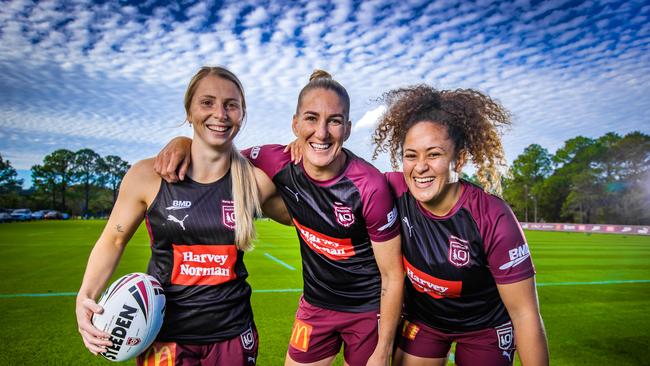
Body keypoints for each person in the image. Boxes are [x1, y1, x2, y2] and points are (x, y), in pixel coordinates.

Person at [155, 70, 404, 366]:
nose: (322, 133)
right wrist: (183, 142)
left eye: (334, 121)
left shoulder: (369, 186)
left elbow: (392, 275)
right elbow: (217, 155)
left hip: (367, 311)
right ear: (295, 123)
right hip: (316, 305)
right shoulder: (277, 160)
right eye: (311, 119)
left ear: (347, 129)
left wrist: (384, 349)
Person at [76, 66, 289, 366]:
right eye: (207, 102)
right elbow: (114, 238)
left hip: (233, 336)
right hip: (164, 337)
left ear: (242, 114)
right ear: (189, 110)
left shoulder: (254, 182)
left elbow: (308, 221)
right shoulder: (147, 176)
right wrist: (85, 295)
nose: (221, 113)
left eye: (231, 105)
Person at [372, 85, 549, 366]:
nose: (420, 167)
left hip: (484, 328)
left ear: (460, 158)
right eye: (410, 155)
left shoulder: (492, 217)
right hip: (426, 321)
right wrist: (301, 147)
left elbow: (525, 315)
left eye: (434, 154)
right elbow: (339, 177)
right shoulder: (390, 190)